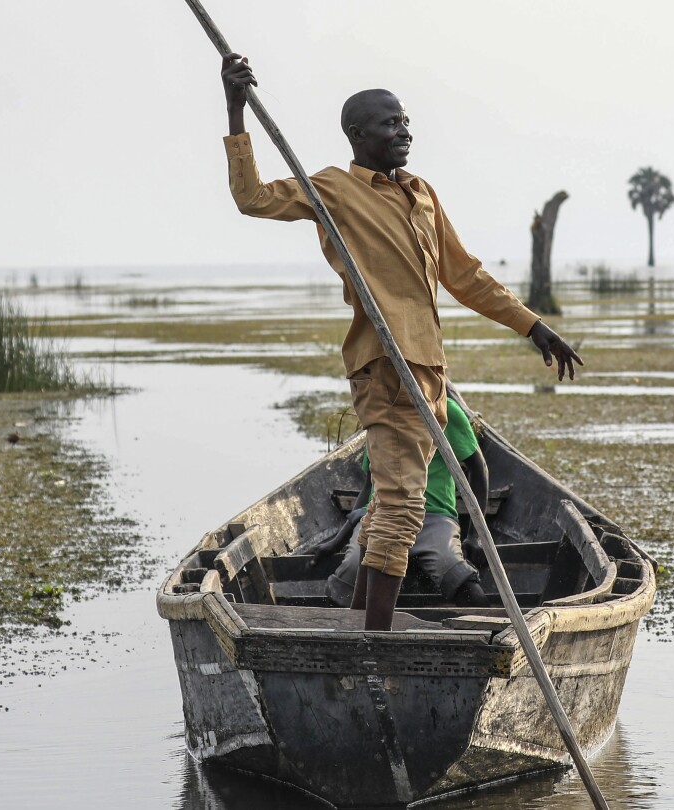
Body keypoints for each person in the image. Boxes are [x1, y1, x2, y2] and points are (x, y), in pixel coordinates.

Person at [220, 55, 582, 630]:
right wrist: (236, 109)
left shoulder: (421, 194)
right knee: (401, 507)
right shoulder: (334, 191)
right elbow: (253, 198)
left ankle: (363, 625)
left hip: (429, 370)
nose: (404, 131)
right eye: (389, 124)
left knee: (395, 505)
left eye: (406, 121)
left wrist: (534, 326)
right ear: (358, 136)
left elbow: (466, 278)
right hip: (386, 368)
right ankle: (376, 638)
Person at [317, 398, 493, 609]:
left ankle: (487, 629)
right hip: (381, 514)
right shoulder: (379, 411)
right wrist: (338, 540)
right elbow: (369, 485)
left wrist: (477, 536)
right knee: (348, 576)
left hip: (433, 516)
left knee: (459, 579)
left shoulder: (445, 410)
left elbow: (478, 469)